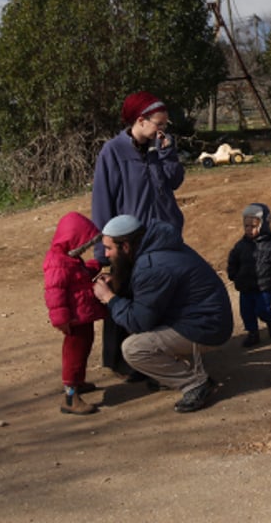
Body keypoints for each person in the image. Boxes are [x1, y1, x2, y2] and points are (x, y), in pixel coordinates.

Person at [91, 214, 234, 413]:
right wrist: (117, 281)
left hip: (207, 328)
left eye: (109, 248)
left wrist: (109, 298)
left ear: (125, 247)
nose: (105, 254)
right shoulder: (158, 247)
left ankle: (196, 384)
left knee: (134, 348)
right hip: (207, 319)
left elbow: (138, 322)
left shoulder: (152, 265)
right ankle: (179, 369)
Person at [91, 91, 185, 379]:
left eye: (165, 125)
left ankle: (158, 354)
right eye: (158, 124)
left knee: (159, 294)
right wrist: (103, 247)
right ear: (140, 120)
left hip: (163, 237)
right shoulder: (113, 151)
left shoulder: (162, 147)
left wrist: (166, 153)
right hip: (128, 240)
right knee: (128, 293)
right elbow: (103, 199)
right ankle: (124, 361)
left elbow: (174, 181)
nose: (162, 130)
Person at [43, 212, 106, 416]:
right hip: (73, 320)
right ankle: (71, 395)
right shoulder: (57, 262)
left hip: (82, 317)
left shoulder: (70, 259)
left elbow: (78, 276)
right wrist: (61, 320)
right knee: (74, 354)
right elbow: (54, 293)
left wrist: (95, 266)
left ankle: (77, 383)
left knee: (83, 348)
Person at [227, 202, 271, 348]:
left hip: (264, 285)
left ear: (263, 226)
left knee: (263, 309)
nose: (249, 230)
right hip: (245, 285)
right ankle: (252, 334)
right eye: (246, 226)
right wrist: (233, 273)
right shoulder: (240, 245)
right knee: (247, 312)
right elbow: (233, 260)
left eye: (253, 226)